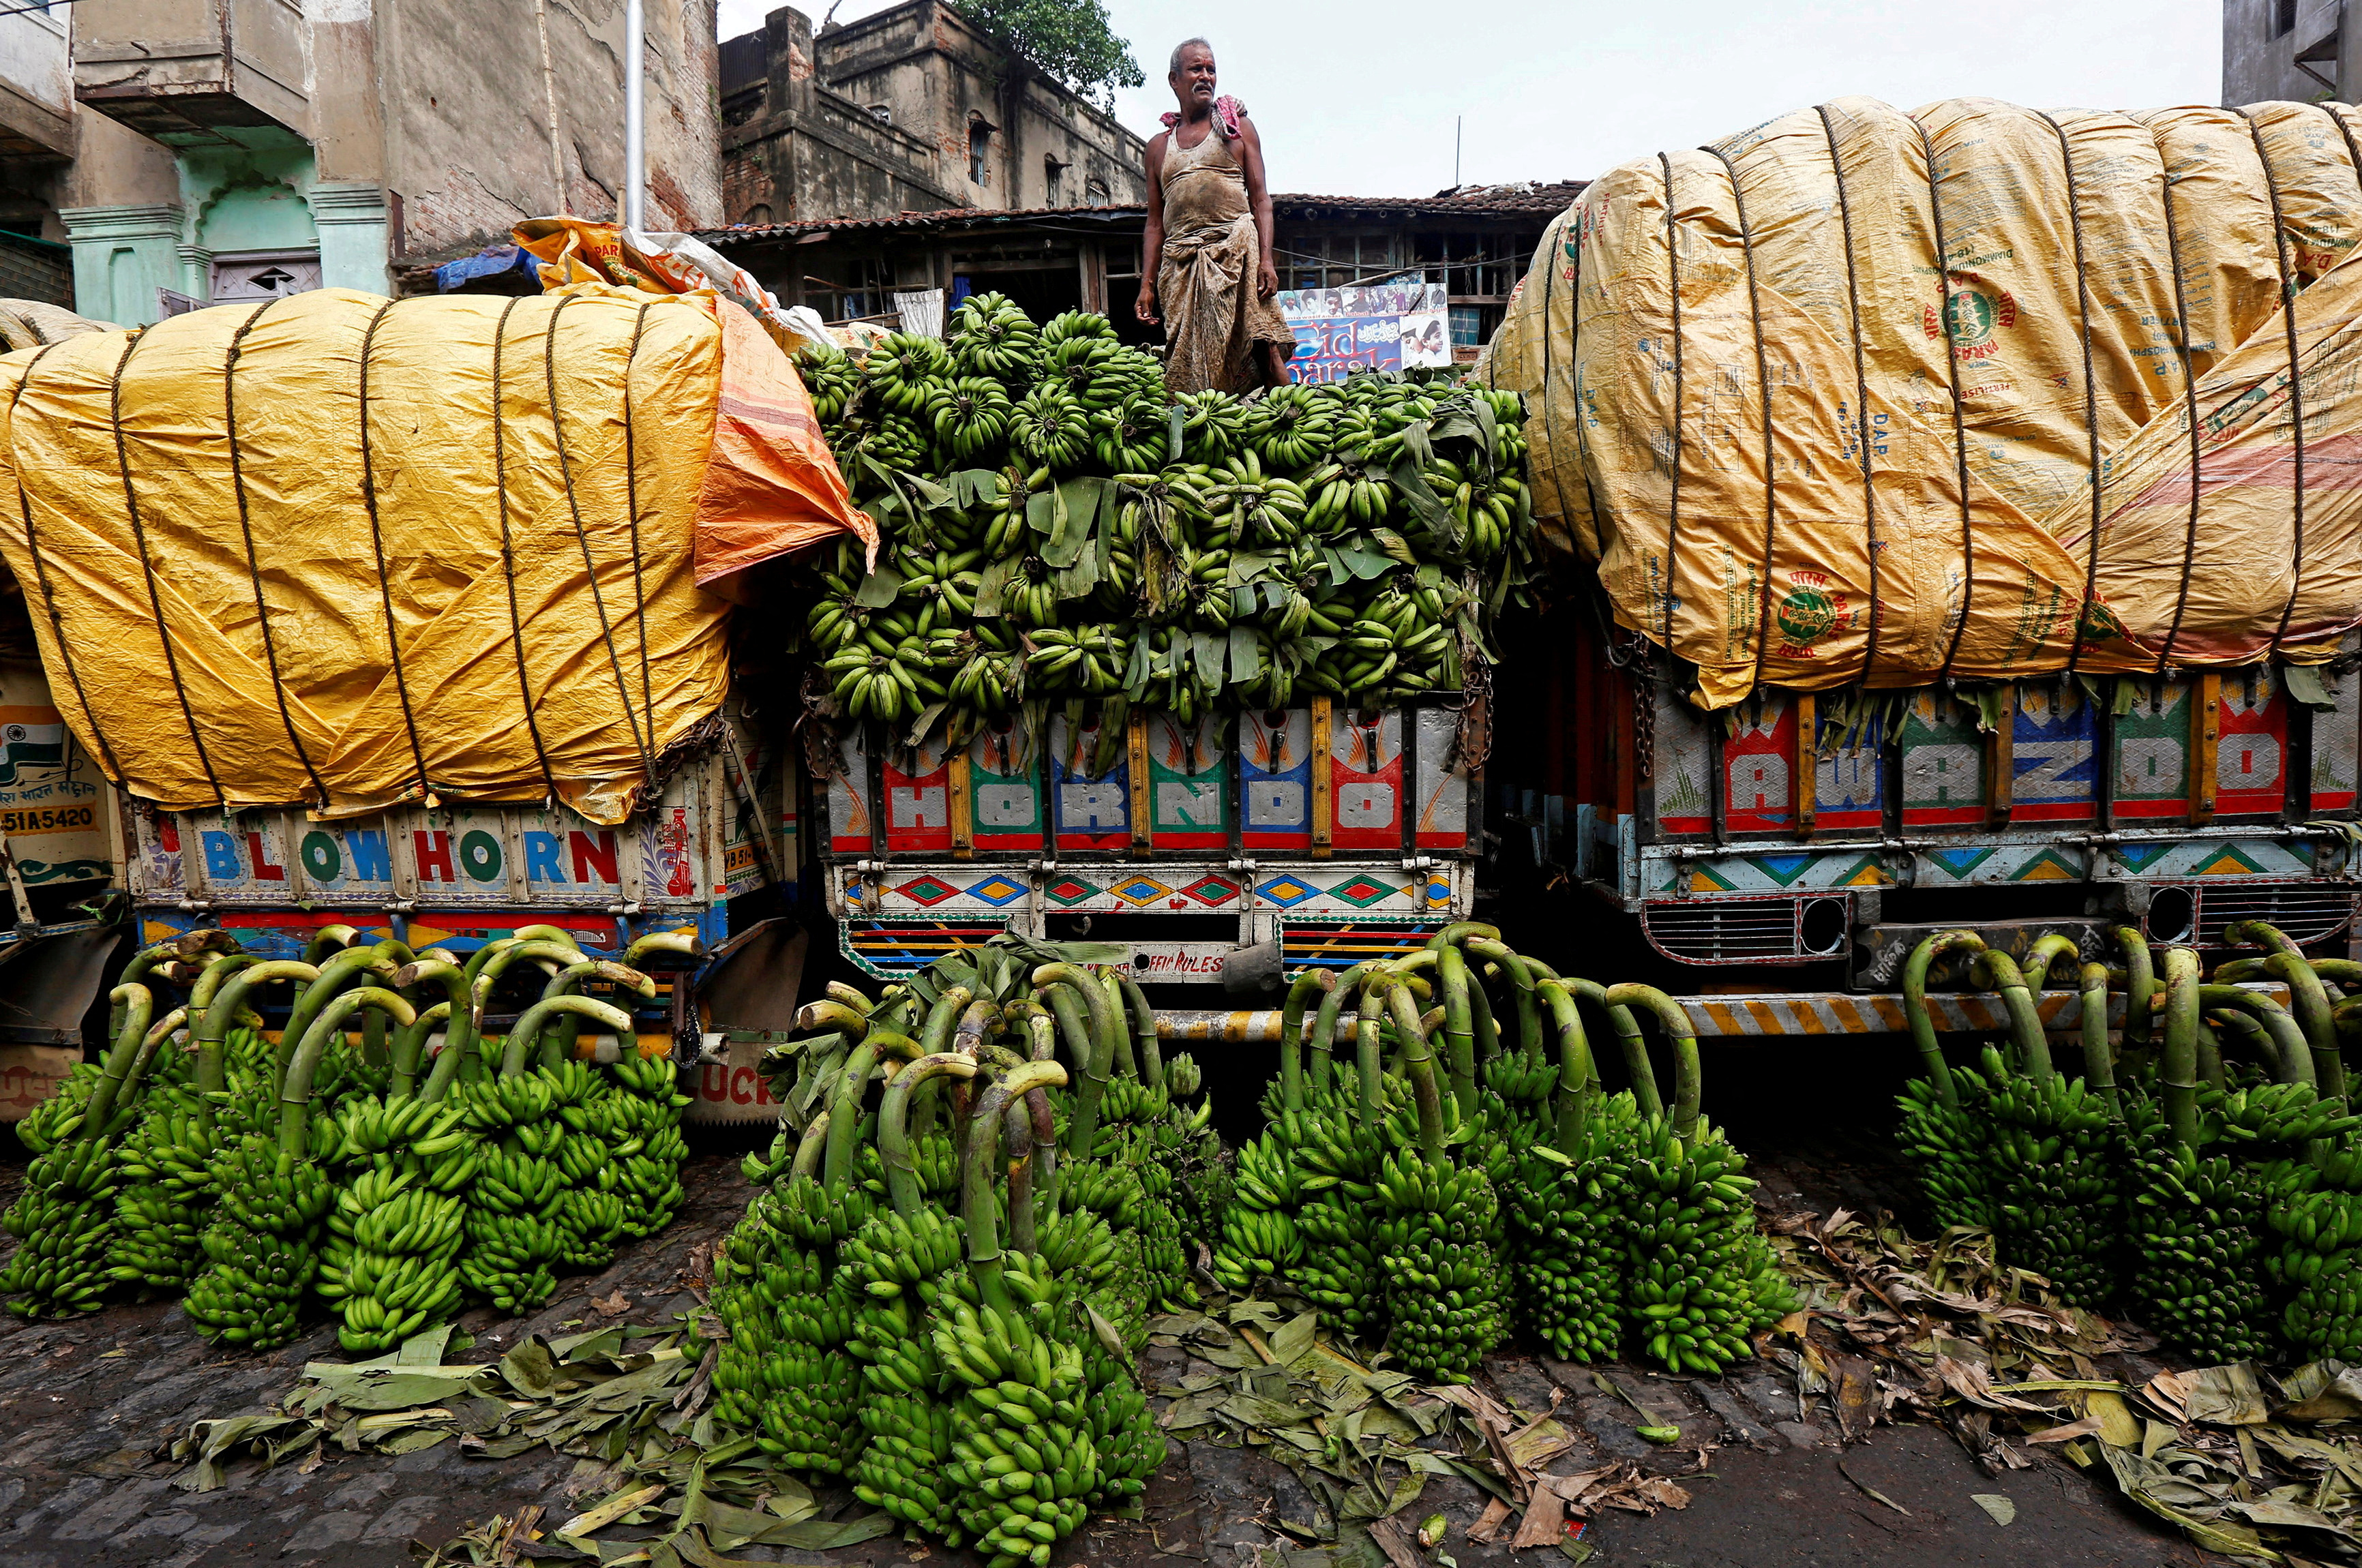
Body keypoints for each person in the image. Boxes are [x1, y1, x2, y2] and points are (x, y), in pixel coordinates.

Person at [1135, 38, 1294, 393]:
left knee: (1264, 346)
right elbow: (1155, 223)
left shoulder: (1236, 129)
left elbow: (1261, 200)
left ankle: (1296, 424)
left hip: (1237, 251)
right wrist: (1146, 285)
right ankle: (1207, 433)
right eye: (1196, 69)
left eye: (1211, 69)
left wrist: (1267, 260)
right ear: (1174, 80)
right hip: (1182, 264)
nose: (1205, 76)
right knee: (1189, 364)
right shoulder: (1159, 148)